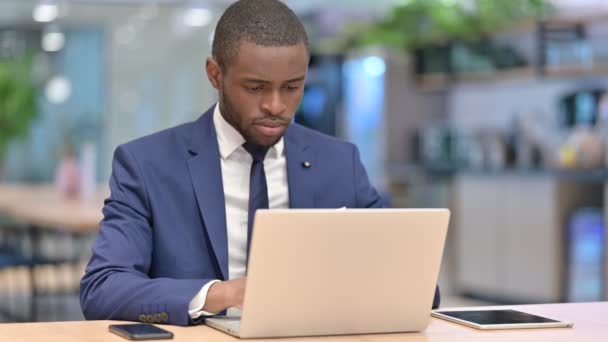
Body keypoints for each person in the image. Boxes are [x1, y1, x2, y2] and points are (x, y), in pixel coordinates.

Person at [80, 0, 439, 327]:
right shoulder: (148, 165)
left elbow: (419, 288)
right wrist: (225, 294)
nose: (275, 105)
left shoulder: (339, 162)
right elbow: (103, 288)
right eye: (255, 88)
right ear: (215, 75)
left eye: (292, 87)